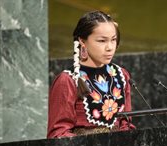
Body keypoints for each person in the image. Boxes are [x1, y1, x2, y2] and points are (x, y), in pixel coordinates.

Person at [47, 10, 135, 138]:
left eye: (113, 40)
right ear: (82, 41)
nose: (110, 47)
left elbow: (125, 124)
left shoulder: (121, 75)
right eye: (102, 41)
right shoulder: (68, 80)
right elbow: (58, 134)